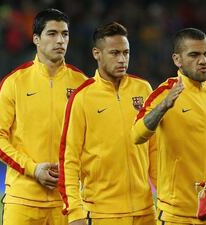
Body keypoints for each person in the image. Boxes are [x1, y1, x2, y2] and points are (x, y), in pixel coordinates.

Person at [0, 8, 87, 225]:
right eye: (52, 33)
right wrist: (32, 169)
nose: (60, 40)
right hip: (22, 200)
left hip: (67, 201)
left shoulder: (82, 85)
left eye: (65, 34)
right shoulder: (14, 82)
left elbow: (94, 141)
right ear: (36, 39)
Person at [133, 28, 206, 225]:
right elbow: (136, 135)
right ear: (177, 60)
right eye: (194, 55)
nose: (203, 60)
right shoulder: (164, 93)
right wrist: (163, 106)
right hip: (177, 215)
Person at [58, 22, 157, 225]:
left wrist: (165, 198)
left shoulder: (143, 89)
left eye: (126, 53)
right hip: (102, 214)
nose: (122, 59)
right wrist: (75, 212)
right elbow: (69, 159)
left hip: (146, 212)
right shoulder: (82, 97)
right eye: (114, 53)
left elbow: (155, 150)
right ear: (97, 53)